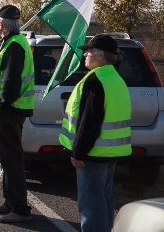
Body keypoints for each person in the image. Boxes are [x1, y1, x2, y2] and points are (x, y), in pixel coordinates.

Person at [60, 35, 131, 232]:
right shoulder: (116, 79)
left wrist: (79, 152)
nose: (85, 54)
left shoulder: (96, 80)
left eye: (88, 51)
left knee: (91, 208)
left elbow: (89, 121)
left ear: (100, 55)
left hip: (93, 154)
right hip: (110, 154)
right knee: (105, 203)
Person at [0, 5, 34, 223]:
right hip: (9, 110)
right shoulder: (12, 43)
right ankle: (11, 202)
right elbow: (5, 72)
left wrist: (0, 105)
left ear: (1, 25)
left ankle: (20, 209)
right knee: (7, 158)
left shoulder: (14, 46)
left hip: (9, 110)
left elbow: (11, 81)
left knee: (12, 160)